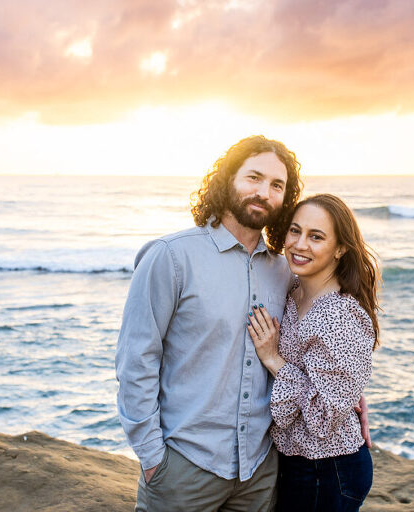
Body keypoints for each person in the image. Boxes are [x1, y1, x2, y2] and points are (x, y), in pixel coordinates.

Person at [116, 137, 369, 511]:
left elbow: (322, 340)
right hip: (185, 467)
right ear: (227, 178)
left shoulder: (285, 272)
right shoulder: (171, 258)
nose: (263, 192)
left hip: (260, 471)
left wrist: (349, 395)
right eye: (254, 177)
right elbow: (136, 361)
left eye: (277, 185)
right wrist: (153, 458)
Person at [246, 194, 380, 511]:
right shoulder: (294, 288)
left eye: (316, 236)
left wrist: (273, 360)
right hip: (296, 461)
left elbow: (323, 419)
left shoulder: (340, 317)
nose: (300, 244)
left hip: (329, 469)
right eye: (295, 231)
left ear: (340, 248)